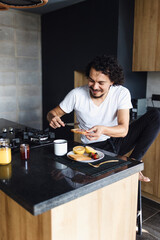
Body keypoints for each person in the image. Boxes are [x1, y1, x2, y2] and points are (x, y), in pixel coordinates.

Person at [47, 55, 160, 182]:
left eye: (101, 83)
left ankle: (134, 164)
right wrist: (52, 117)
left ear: (112, 81)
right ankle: (130, 169)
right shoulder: (76, 95)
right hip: (95, 147)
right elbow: (52, 113)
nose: (95, 87)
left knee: (155, 115)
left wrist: (103, 129)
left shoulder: (121, 93)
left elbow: (123, 130)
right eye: (91, 80)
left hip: (118, 140)